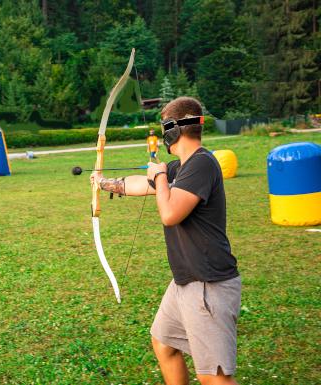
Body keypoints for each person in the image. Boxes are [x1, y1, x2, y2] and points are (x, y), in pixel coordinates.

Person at [91, 97, 240, 385]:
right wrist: (103, 183)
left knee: (214, 377)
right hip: (186, 282)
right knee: (164, 343)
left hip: (208, 284)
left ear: (172, 130)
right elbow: (139, 183)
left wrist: (159, 177)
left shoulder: (202, 164)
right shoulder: (181, 167)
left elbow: (170, 213)